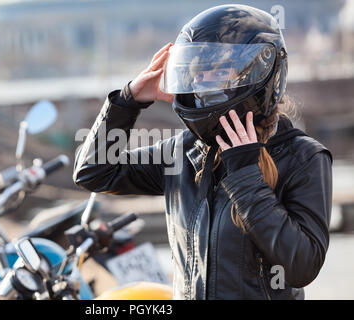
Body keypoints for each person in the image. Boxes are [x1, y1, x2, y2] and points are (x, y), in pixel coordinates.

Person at [73, 4, 333, 300]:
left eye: (217, 73)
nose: (200, 83)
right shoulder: (183, 153)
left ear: (259, 73)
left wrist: (246, 177)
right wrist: (127, 101)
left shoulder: (302, 157)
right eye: (197, 73)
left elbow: (302, 266)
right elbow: (94, 172)